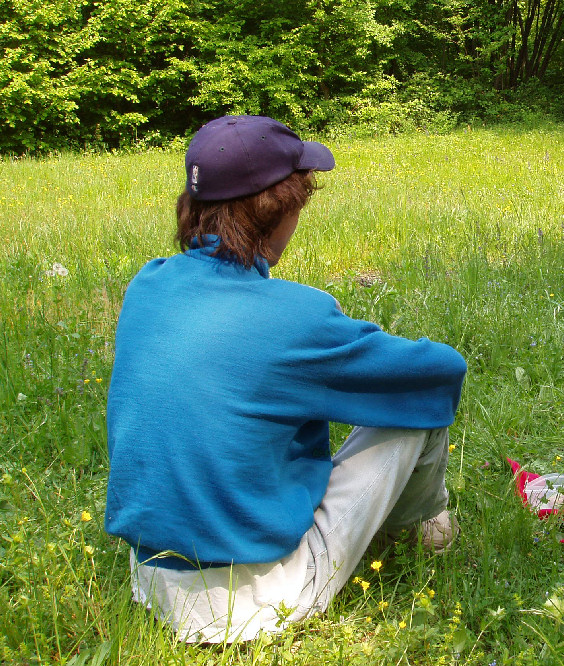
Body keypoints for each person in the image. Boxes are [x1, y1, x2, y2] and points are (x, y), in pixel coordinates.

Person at [104, 115, 468, 643]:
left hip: (149, 579)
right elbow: (441, 371)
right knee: (419, 405)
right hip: (254, 602)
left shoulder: (148, 284)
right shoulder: (298, 314)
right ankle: (425, 535)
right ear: (279, 208)